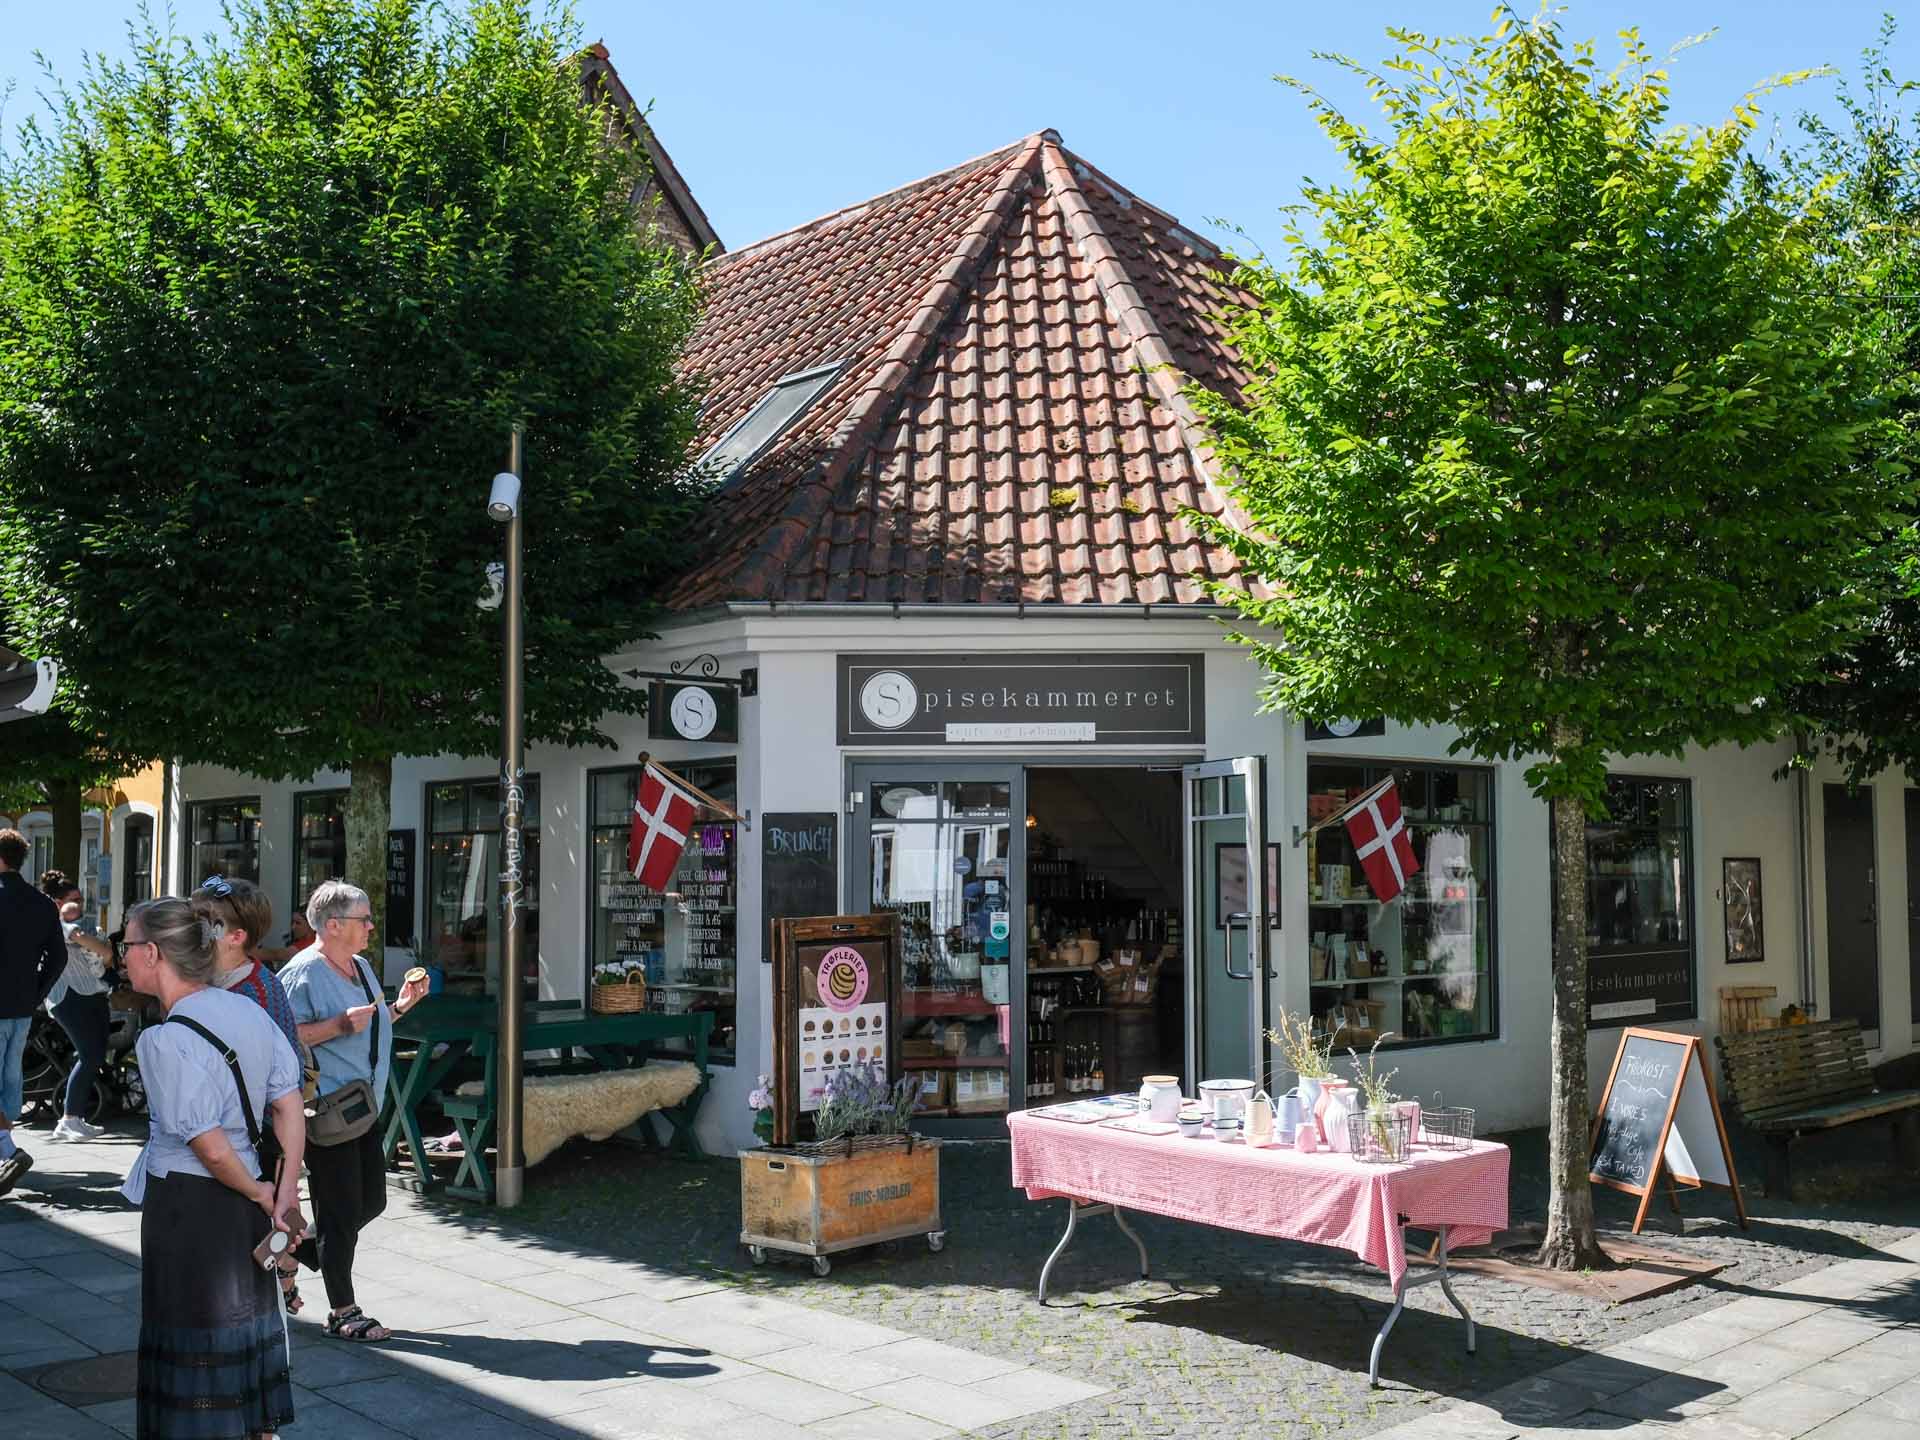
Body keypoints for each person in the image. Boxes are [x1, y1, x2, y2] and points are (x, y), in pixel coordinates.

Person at [121, 896, 303, 1440]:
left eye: (126, 945)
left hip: (191, 1208)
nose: (122, 956)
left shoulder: (164, 1040)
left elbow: (211, 1147)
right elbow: (289, 1105)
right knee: (243, 1330)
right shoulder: (248, 1011)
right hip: (247, 1202)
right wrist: (282, 1192)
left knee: (192, 1336)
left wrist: (261, 1193)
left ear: (153, 953)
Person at [280, 880, 428, 1342]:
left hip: (364, 1107)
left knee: (371, 1203)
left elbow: (371, 1023)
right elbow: (281, 1036)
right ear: (333, 925)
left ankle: (292, 1250)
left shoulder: (360, 966)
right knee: (341, 1213)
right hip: (327, 1109)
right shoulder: (302, 972)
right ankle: (343, 1311)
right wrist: (337, 1026)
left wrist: (401, 1007)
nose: (371, 926)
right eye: (363, 919)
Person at [0, 828, 65, 1196]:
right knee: (10, 1080)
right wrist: (37, 993)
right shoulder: (42, 903)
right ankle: (5, 1151)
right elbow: (58, 957)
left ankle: (9, 1151)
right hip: (22, 1005)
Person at [38, 870, 117, 1142]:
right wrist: (105, 951)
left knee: (95, 1054)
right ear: (58, 903)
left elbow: (103, 956)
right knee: (89, 1054)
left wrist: (105, 954)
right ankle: (69, 1119)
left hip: (92, 993)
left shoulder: (78, 924)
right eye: (75, 900)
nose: (81, 905)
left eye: (82, 899)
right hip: (69, 997)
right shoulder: (56, 926)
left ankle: (76, 1118)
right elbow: (89, 943)